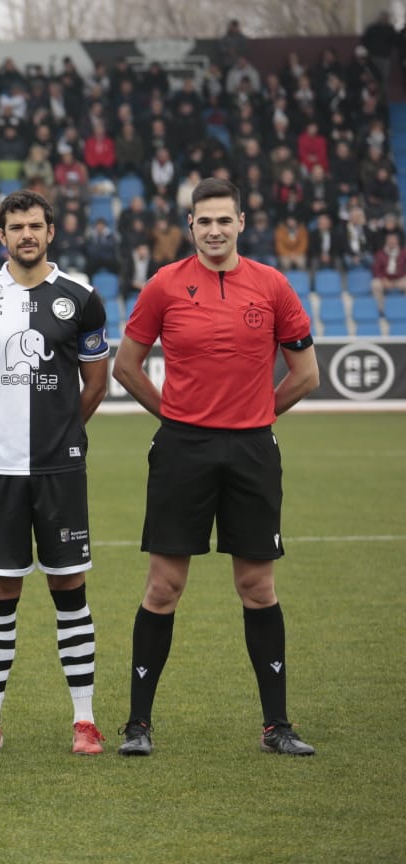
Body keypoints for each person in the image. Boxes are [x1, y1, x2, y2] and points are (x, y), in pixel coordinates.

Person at [112, 178, 319, 757]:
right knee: (163, 586)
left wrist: (254, 416)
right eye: (204, 222)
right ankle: (137, 726)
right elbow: (128, 366)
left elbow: (306, 375)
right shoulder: (165, 285)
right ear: (191, 226)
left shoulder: (273, 285)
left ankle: (277, 725)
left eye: (224, 220)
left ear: (241, 223)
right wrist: (175, 417)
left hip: (252, 450)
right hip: (183, 450)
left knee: (257, 586)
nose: (214, 230)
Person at [0, 190, 110, 757]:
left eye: (35, 226)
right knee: (1, 589)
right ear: (1, 235)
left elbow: (97, 382)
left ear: (50, 232)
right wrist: (0, 424)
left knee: (70, 586)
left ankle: (85, 722)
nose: (26, 235)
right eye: (16, 226)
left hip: (60, 470)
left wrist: (63, 430)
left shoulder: (82, 298)